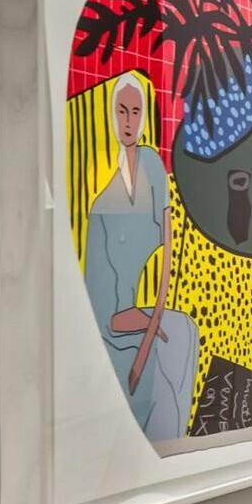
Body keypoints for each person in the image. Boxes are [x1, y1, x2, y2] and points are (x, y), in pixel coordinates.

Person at [83, 72, 201, 445]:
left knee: (183, 331)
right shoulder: (100, 209)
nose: (129, 121)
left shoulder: (152, 167)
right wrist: (148, 327)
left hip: (138, 314)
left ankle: (170, 441)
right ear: (112, 115)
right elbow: (106, 313)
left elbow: (167, 254)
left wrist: (152, 325)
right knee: (177, 335)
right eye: (122, 111)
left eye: (136, 111)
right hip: (112, 323)